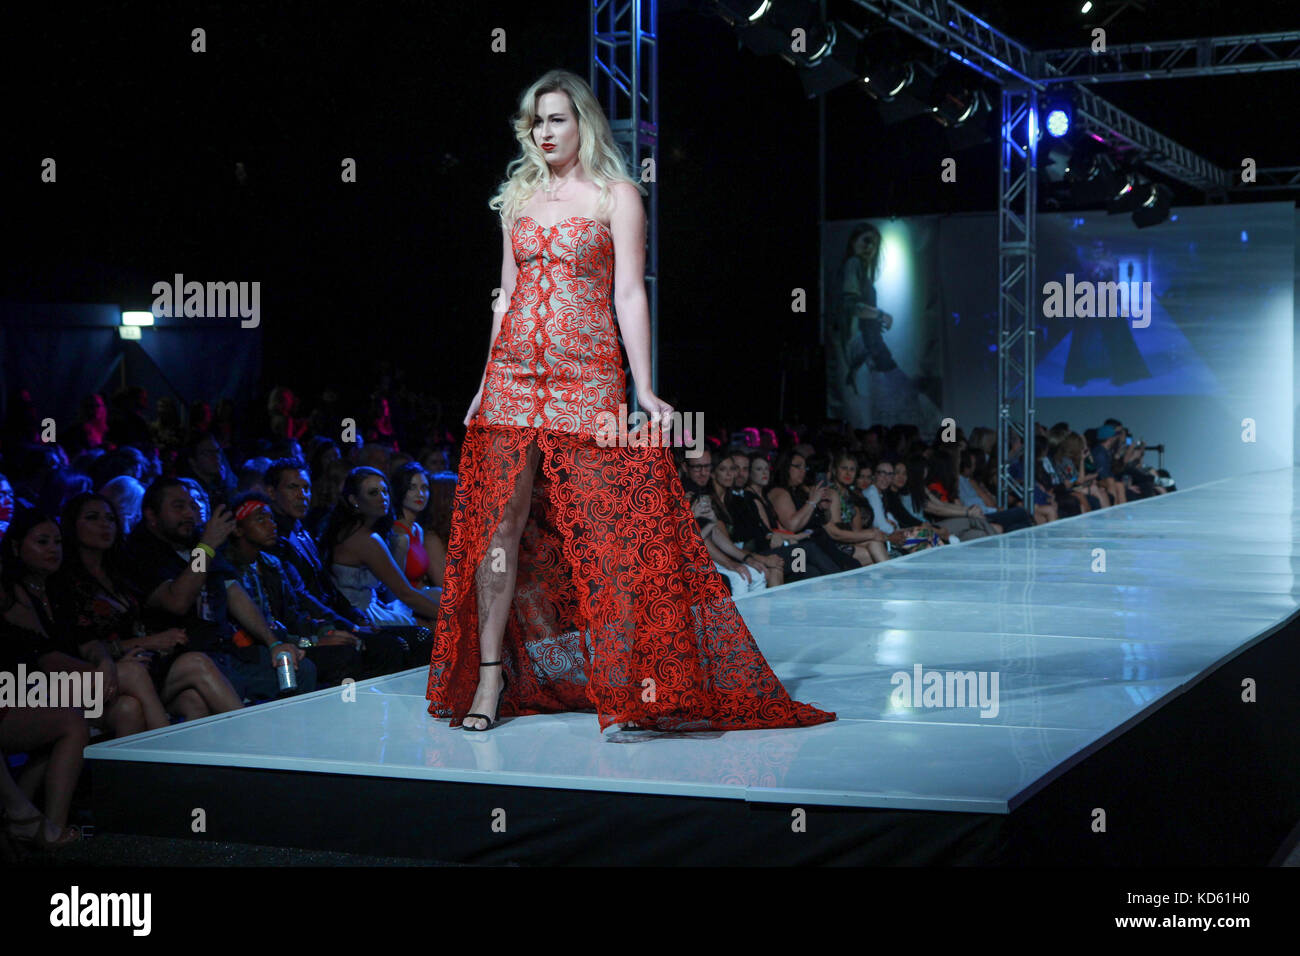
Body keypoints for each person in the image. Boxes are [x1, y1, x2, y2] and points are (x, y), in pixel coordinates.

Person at [426, 69, 834, 733]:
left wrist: (643, 387)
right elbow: (505, 295)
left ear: (582, 122)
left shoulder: (617, 197)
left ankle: (631, 683)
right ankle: (491, 680)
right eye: (537, 120)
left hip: (587, 377)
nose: (545, 131)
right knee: (499, 527)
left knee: (608, 529)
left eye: (557, 118)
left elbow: (630, 294)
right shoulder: (516, 199)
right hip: (512, 377)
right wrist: (481, 381)